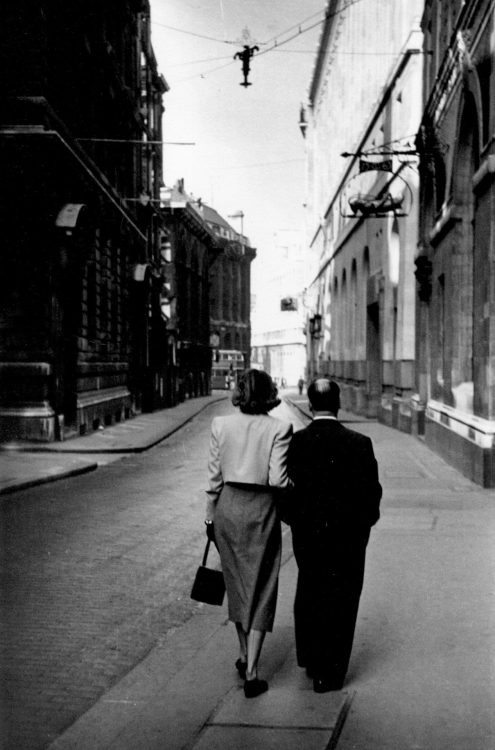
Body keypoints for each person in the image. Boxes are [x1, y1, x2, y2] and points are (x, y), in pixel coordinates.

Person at [287, 378, 382, 693]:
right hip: (348, 540)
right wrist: (362, 529)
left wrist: (297, 524)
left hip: (308, 536)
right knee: (342, 600)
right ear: (338, 404)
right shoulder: (360, 442)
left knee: (311, 593)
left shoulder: (297, 442)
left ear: (310, 405)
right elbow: (372, 496)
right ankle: (331, 673)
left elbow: (288, 495)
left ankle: (312, 661)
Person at [205, 369, 293, 698]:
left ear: (239, 391)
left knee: (237, 585)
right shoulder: (280, 428)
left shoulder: (221, 425)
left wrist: (209, 518)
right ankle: (253, 674)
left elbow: (213, 479)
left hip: (227, 508)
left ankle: (244, 657)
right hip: (261, 511)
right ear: (269, 392)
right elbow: (278, 481)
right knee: (263, 586)